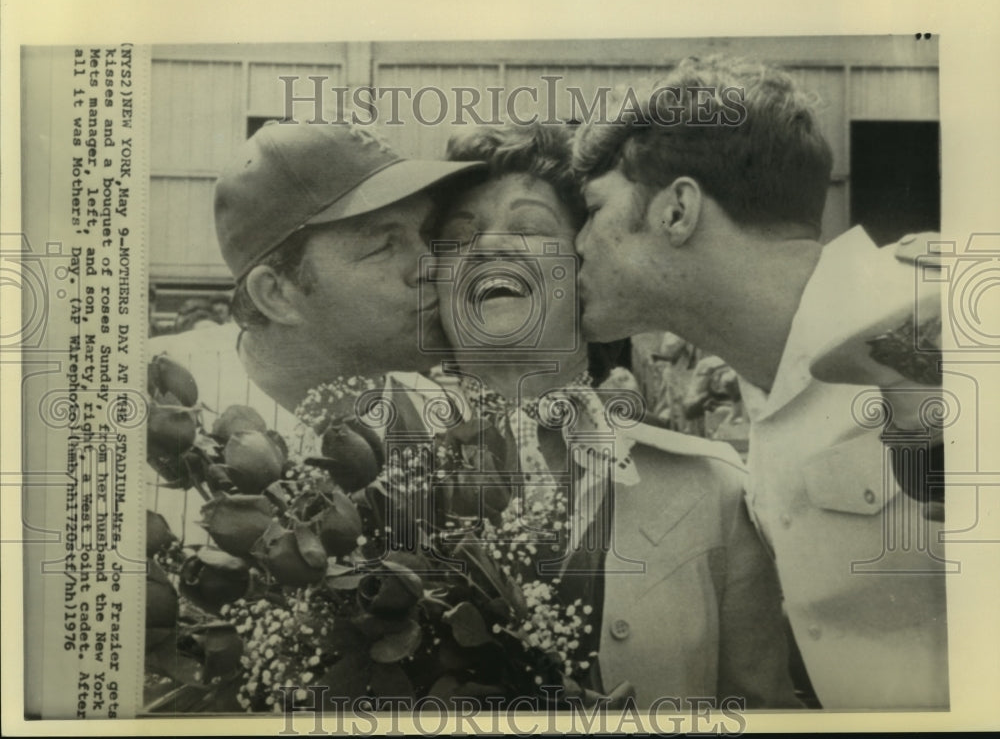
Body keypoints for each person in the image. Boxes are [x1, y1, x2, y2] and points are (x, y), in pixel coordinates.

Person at [570, 55, 948, 709]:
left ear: (677, 210)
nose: (577, 243)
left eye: (593, 209)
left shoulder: (943, 320)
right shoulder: (759, 386)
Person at [432, 123, 800, 709]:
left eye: (529, 228)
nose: (489, 247)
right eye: (459, 234)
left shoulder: (715, 490)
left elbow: (764, 711)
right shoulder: (368, 480)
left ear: (588, 268)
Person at [146, 120, 486, 539]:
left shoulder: (448, 426)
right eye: (384, 245)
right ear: (278, 294)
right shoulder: (139, 401)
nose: (433, 264)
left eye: (428, 234)